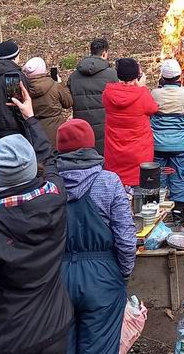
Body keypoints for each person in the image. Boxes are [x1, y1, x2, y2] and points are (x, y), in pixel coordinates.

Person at [0, 86, 73, 354]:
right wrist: (30, 118)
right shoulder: (55, 196)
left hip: (8, 337)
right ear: (34, 167)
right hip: (55, 327)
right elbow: (50, 158)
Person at [56, 119, 137, 354]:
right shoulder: (109, 182)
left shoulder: (50, 185)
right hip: (102, 277)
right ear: (92, 146)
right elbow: (126, 238)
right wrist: (123, 272)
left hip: (58, 277)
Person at [151, 59, 184, 224]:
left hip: (158, 145)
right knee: (178, 176)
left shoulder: (154, 94)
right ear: (179, 76)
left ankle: (157, 216)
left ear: (163, 76)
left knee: (160, 177)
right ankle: (178, 215)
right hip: (181, 145)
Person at [102, 58, 158, 188]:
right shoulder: (142, 94)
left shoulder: (108, 93)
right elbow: (153, 108)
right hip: (139, 153)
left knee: (116, 189)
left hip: (114, 151)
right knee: (139, 193)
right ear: (136, 76)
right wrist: (142, 87)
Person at [68, 38, 119, 156]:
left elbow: (68, 100)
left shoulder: (74, 76)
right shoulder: (112, 75)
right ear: (105, 53)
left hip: (82, 128)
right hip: (105, 128)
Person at [23, 56, 74, 149]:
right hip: (57, 131)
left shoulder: (23, 89)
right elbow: (68, 103)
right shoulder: (55, 86)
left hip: (34, 131)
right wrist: (61, 84)